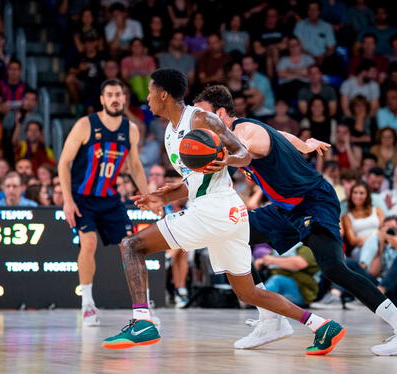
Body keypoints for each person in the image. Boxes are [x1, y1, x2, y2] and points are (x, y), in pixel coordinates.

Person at [102, 69, 346, 355]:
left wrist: (225, 159)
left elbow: (243, 153)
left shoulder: (201, 118)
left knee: (132, 246)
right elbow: (198, 178)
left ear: (163, 94)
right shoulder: (170, 132)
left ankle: (142, 322)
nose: (147, 99)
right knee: (248, 292)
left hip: (214, 210)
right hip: (228, 213)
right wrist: (169, 194)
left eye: (150, 92)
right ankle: (321, 325)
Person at [194, 84, 397, 355]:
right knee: (233, 234)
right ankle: (270, 321)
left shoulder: (244, 132)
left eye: (203, 114)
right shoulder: (251, 130)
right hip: (286, 208)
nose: (199, 122)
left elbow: (244, 151)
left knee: (334, 269)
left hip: (314, 201)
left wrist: (222, 158)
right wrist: (305, 144)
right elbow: (280, 135)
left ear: (221, 113)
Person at [58, 79, 149, 326]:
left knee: (131, 246)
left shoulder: (130, 129)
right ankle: (87, 304)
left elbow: (135, 166)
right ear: (102, 99)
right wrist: (67, 200)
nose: (114, 99)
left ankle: (143, 309)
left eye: (118, 94)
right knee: (88, 243)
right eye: (109, 94)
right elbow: (64, 163)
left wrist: (148, 194)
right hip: (82, 198)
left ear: (125, 98)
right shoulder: (85, 125)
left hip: (110, 198)